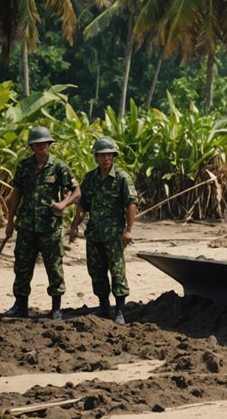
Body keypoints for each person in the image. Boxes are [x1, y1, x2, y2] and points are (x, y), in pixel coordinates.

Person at [3, 126, 81, 320]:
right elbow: (16, 195)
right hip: (26, 226)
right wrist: (10, 221)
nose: (42, 148)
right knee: (22, 267)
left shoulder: (59, 167)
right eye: (38, 145)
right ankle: (20, 306)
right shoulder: (23, 167)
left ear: (49, 145)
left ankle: (56, 308)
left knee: (54, 267)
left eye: (45, 144)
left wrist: (63, 204)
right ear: (32, 146)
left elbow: (77, 191)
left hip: (50, 228)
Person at [68, 137, 138, 325]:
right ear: (96, 157)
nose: (106, 158)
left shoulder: (122, 178)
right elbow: (82, 206)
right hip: (94, 234)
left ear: (113, 156)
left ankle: (120, 310)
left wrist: (128, 230)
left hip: (114, 235)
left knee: (117, 271)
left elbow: (131, 204)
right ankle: (103, 305)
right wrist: (75, 225)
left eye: (109, 155)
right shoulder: (90, 178)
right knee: (96, 271)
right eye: (102, 155)